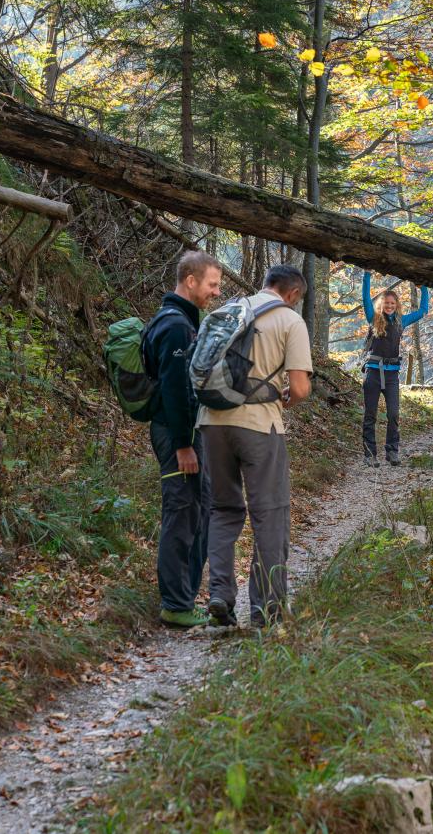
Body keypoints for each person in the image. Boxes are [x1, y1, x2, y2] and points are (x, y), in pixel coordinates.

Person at [199, 265, 313, 628]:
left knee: (222, 509)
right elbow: (299, 389)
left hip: (211, 421)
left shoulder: (228, 310)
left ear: (266, 284)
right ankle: (267, 608)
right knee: (270, 513)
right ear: (293, 294)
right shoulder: (289, 321)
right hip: (259, 425)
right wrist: (285, 401)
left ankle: (220, 593)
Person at [145, 251, 223, 627]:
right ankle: (175, 605)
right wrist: (183, 446)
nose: (216, 292)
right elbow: (175, 390)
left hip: (190, 434)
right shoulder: (175, 326)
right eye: (212, 284)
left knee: (199, 510)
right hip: (177, 436)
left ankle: (185, 599)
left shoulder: (185, 322)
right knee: (181, 513)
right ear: (190, 281)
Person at [360, 271, 429, 467]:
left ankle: (392, 452)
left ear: (396, 305)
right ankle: (369, 454)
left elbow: (423, 310)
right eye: (386, 304)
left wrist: (423, 286)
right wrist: (366, 275)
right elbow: (365, 297)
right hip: (373, 374)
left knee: (393, 414)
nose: (389, 306)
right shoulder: (372, 318)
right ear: (380, 305)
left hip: (391, 376)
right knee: (370, 415)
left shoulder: (402, 321)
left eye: (392, 304)